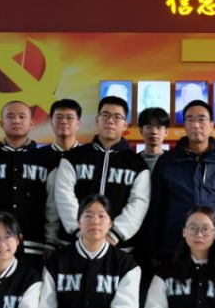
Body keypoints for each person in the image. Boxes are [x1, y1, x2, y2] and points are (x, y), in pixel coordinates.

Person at [0, 101, 59, 263]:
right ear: (1, 124)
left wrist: (51, 240)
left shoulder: (46, 160)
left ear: (31, 124)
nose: (16, 121)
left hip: (34, 245)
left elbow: (52, 205)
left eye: (22, 117)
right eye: (10, 117)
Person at [52, 96, 151, 252]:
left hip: (117, 248)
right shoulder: (73, 157)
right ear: (97, 120)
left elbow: (138, 203)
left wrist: (114, 235)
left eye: (117, 117)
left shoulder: (137, 164)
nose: (110, 121)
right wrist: (81, 231)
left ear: (125, 125)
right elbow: (64, 195)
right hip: (74, 244)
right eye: (105, 115)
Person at [146, 100, 215, 265]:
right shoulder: (166, 162)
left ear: (212, 125)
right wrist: (153, 248)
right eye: (190, 119)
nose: (196, 125)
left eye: (201, 119)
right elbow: (156, 207)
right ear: (184, 126)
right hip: (175, 246)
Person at [44, 99, 85, 250]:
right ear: (51, 122)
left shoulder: (88, 157)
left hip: (79, 236)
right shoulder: (38, 156)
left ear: (78, 123)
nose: (64, 121)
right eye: (59, 117)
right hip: (43, 238)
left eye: (69, 117)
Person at [138, 107, 170, 171]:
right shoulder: (131, 161)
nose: (154, 132)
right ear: (141, 131)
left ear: (166, 132)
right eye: (149, 127)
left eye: (159, 127)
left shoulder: (173, 161)